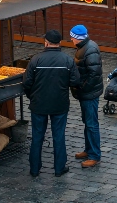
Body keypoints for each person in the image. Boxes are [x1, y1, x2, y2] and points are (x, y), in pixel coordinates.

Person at [24, 30, 81, 177]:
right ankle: (59, 168)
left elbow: (27, 83)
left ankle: (34, 169)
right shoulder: (67, 60)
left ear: (46, 42)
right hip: (59, 104)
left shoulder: (35, 60)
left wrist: (32, 97)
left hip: (38, 104)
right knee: (59, 136)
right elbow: (75, 81)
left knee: (37, 137)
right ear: (59, 43)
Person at [69, 25, 103, 168]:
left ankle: (95, 155)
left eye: (72, 37)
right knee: (88, 122)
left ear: (77, 38)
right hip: (86, 92)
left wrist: (82, 87)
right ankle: (89, 150)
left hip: (89, 93)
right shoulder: (84, 48)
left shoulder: (89, 50)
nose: (71, 39)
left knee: (91, 123)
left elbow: (94, 74)